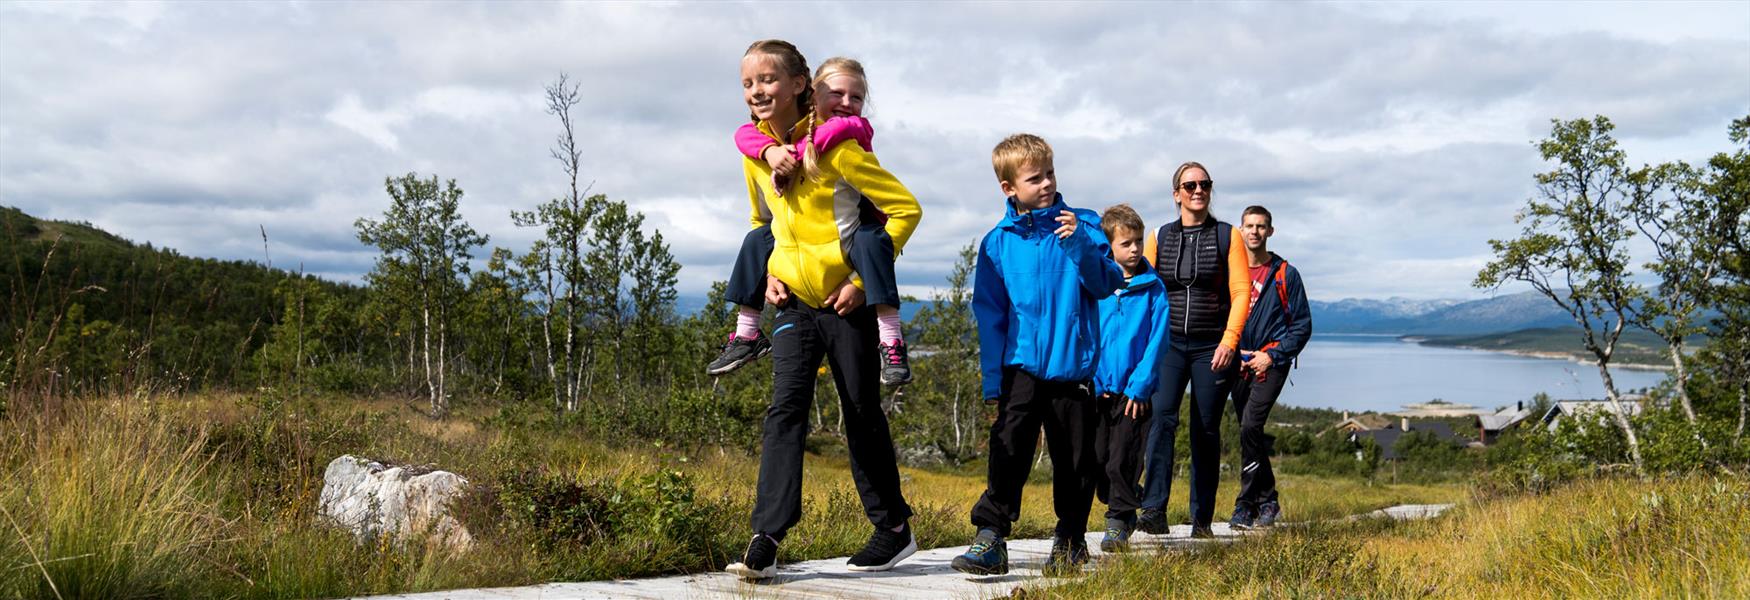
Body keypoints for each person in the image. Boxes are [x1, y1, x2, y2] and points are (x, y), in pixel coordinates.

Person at [723, 40, 922, 580]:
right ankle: (766, 534)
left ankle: (893, 528)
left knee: (860, 410)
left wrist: (860, 282)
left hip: (844, 302)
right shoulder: (755, 153)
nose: (757, 91)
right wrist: (769, 277)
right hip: (794, 303)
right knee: (785, 410)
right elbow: (763, 224)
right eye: (748, 83)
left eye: (767, 80)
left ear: (800, 88)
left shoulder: (841, 149)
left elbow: (905, 210)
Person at [951, 133, 1126, 576]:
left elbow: (1106, 283)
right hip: (1020, 367)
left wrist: (1080, 248)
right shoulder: (997, 243)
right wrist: (993, 380)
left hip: (1073, 368)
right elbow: (989, 315)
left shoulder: (1084, 224)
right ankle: (990, 538)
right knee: (1007, 448)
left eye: (1050, 173)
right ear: (1009, 188)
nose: (1046, 183)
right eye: (1034, 178)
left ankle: (1069, 540)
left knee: (1075, 460)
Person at [709, 58, 914, 386]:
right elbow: (743, 136)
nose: (847, 103)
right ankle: (746, 334)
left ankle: (891, 340)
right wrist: (769, 152)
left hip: (861, 238)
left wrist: (798, 151)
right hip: (801, 285)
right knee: (758, 237)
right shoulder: (777, 143)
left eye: (857, 97)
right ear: (813, 96)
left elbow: (833, 133)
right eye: (837, 93)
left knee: (870, 240)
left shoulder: (850, 131)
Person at [1137, 161, 1251, 538]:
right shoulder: (1159, 237)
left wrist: (1230, 341)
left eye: (1204, 184)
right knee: (1161, 420)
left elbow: (1240, 293)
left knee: (1205, 429)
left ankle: (1201, 520)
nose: (1198, 190)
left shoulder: (1227, 235)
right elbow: (1146, 292)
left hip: (1211, 347)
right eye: (1189, 186)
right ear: (1176, 194)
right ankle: (1153, 509)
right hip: (1168, 343)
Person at [1090, 203, 1170, 552]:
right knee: (1097, 463)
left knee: (1123, 456)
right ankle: (1126, 500)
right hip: (1097, 390)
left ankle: (1118, 522)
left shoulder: (1153, 289)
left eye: (1138, 241)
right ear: (1110, 247)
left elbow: (1157, 341)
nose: (1135, 249)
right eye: (1127, 243)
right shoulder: (1096, 287)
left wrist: (1140, 386)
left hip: (1134, 393)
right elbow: (1086, 334)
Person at [1226, 205, 1312, 529]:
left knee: (1250, 426)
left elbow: (1302, 326)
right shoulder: (1231, 270)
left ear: (1270, 231)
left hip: (1270, 362)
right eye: (1249, 226)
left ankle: (1245, 504)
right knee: (1251, 432)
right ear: (1241, 229)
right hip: (1236, 362)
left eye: (1261, 226)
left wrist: (1273, 357)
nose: (1254, 232)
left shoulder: (1284, 273)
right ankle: (1269, 501)